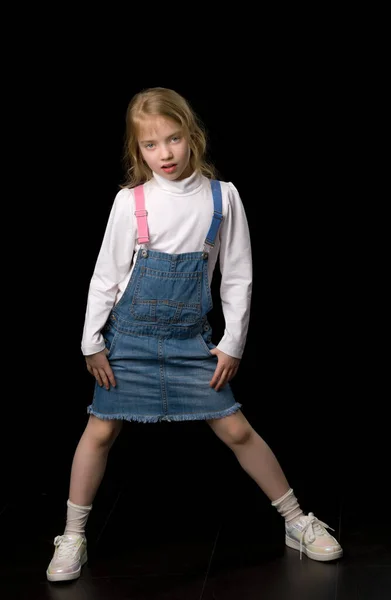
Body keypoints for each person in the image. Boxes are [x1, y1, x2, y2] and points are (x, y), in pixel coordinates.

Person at [46, 86, 343, 583]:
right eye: (150, 145)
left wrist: (232, 343)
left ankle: (297, 522)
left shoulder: (222, 196)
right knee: (99, 431)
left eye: (174, 139)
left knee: (236, 429)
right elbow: (106, 276)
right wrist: (91, 342)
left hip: (190, 340)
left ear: (193, 136)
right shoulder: (130, 201)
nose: (164, 153)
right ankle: (72, 535)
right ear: (136, 151)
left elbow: (238, 275)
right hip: (129, 340)